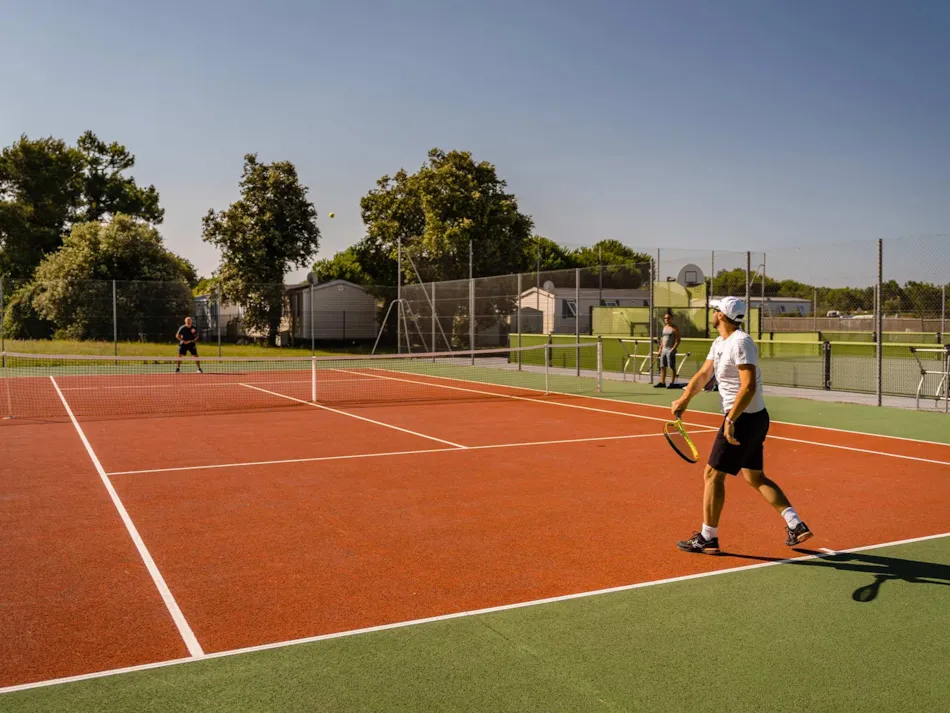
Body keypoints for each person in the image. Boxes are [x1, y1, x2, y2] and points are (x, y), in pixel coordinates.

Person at [670, 296, 812, 553]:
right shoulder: (719, 343)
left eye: (715, 309)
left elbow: (748, 386)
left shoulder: (741, 342)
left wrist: (731, 419)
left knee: (712, 475)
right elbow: (703, 375)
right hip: (750, 418)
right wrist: (684, 400)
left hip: (743, 419)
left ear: (721, 315)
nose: (712, 312)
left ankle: (708, 537)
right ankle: (795, 524)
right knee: (754, 476)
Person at [654, 312, 681, 388]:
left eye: (668, 318)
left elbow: (678, 340)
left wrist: (673, 349)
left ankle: (672, 383)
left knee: (671, 367)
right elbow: (663, 339)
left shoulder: (674, 328)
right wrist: (660, 349)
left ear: (671, 319)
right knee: (662, 366)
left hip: (670, 350)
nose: (666, 319)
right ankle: (662, 382)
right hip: (664, 350)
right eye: (665, 318)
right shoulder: (665, 327)